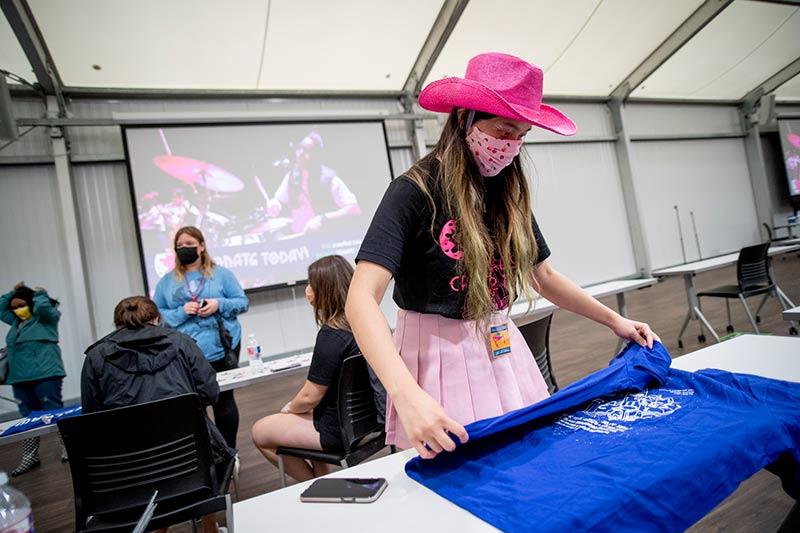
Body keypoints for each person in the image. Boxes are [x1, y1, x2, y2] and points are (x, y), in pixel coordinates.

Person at [346, 52, 660, 459]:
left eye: (522, 135)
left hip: (501, 346)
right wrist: (405, 394)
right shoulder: (414, 191)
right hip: (439, 355)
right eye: (503, 130)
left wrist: (615, 320)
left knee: (526, 459)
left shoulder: (505, 192)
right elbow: (360, 299)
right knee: (462, 475)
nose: (511, 146)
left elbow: (543, 275)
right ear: (464, 119)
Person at [81, 296, 234, 533]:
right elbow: (210, 393)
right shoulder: (182, 343)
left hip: (128, 469)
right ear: (157, 319)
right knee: (201, 443)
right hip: (191, 460)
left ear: (116, 324)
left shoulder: (96, 357)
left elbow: (91, 416)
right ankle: (210, 528)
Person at [251, 255, 384, 482]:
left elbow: (310, 396)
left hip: (337, 431)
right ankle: (323, 481)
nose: (307, 290)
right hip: (369, 422)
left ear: (325, 289)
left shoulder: (332, 335)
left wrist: (289, 408)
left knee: (259, 432)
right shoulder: (366, 324)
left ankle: (318, 484)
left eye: (311, 284)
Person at [153, 226, 249, 450]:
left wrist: (219, 303)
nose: (184, 249)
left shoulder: (222, 275)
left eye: (189, 244)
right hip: (186, 352)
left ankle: (229, 453)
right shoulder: (166, 282)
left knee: (224, 400)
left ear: (202, 246)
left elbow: (242, 302)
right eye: (180, 246)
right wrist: (181, 311)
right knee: (195, 405)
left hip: (223, 347)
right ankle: (209, 457)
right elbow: (156, 316)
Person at [0, 283, 67, 476]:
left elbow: (44, 307)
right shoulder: (14, 322)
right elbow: (0, 307)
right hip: (19, 379)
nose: (16, 310)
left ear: (30, 304)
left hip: (46, 375)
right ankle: (30, 456)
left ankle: (68, 448)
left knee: (54, 413)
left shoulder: (46, 318)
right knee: (26, 419)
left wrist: (39, 294)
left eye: (21, 305)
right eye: (14, 307)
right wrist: (13, 293)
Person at [266, 131, 361, 234]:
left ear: (317, 155)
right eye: (299, 149)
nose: (300, 154)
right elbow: (279, 200)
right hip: (297, 241)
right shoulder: (291, 176)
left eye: (307, 151)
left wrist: (322, 219)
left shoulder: (330, 180)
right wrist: (275, 203)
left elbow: (354, 208)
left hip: (322, 240)